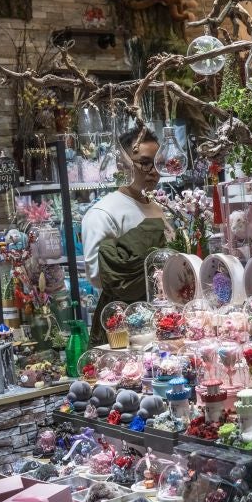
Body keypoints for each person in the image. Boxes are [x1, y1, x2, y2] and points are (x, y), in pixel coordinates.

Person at [81, 127, 168, 342]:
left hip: (166, 317)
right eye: (145, 162)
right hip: (128, 326)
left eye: (158, 163)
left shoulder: (158, 207)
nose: (153, 170)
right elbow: (98, 276)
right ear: (122, 163)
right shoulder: (103, 213)